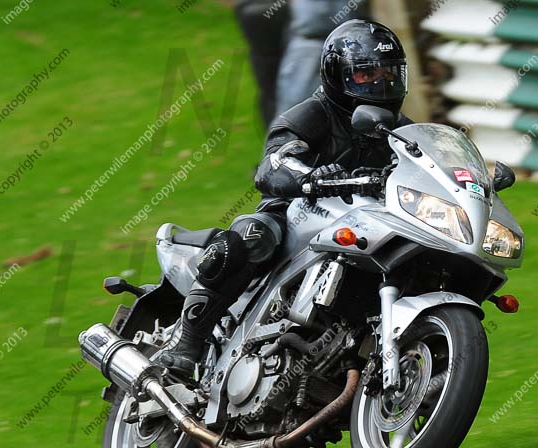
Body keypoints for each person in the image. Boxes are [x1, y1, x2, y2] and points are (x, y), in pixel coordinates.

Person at [154, 20, 414, 378]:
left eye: (388, 74)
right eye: (366, 75)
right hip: (295, 214)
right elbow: (275, 162)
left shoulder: (402, 130)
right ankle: (188, 343)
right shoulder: (313, 113)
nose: (379, 85)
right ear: (337, 76)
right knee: (250, 237)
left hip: (367, 223)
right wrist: (309, 176)